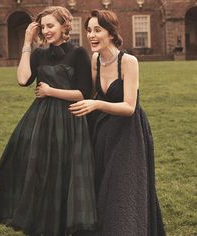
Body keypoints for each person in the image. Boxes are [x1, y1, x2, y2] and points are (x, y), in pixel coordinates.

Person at [0, 6, 97, 236]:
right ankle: (40, 223)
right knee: (39, 172)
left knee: (64, 173)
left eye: (50, 26)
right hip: (41, 121)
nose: (46, 30)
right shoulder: (39, 54)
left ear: (65, 26)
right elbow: (23, 79)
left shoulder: (79, 53)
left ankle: (63, 225)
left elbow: (85, 93)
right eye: (43, 27)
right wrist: (27, 43)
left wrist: (52, 91)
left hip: (70, 121)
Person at [69, 9, 166, 236]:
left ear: (111, 33)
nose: (91, 35)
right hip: (101, 132)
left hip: (128, 134)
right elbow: (87, 93)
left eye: (97, 30)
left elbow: (129, 107)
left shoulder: (128, 61)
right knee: (101, 186)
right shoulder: (94, 59)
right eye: (89, 31)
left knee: (123, 189)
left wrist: (97, 105)